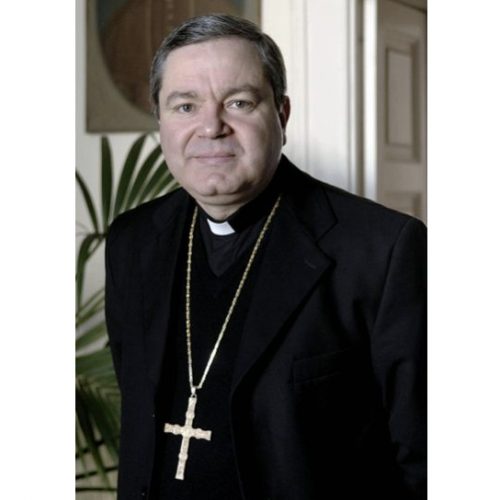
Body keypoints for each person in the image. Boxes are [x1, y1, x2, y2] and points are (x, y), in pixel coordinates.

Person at [105, 14, 426, 500]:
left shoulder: (382, 250)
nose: (211, 127)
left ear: (282, 114)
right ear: (160, 122)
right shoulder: (131, 242)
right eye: (185, 105)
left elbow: (424, 457)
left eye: (239, 102)